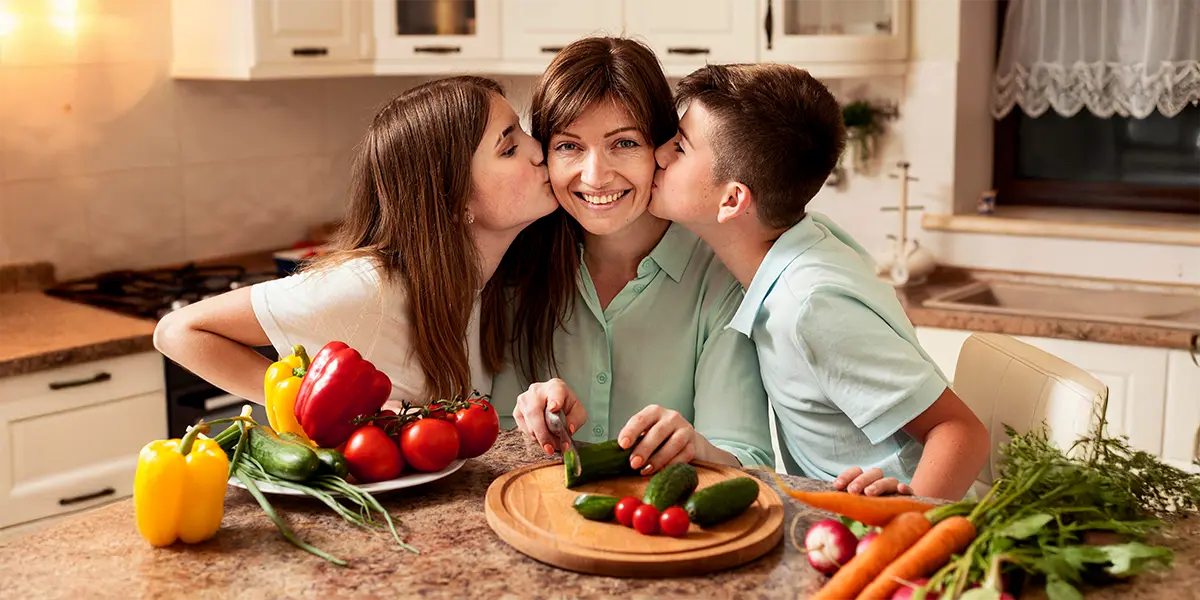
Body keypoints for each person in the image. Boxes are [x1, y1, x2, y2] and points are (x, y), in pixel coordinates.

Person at [649, 63, 990, 500]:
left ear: (732, 200)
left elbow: (960, 430)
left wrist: (906, 526)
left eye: (679, 148)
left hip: (899, 529)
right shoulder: (804, 240)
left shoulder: (809, 304)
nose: (659, 154)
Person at [154, 76, 557, 409]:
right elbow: (178, 330)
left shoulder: (488, 280)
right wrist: (304, 403)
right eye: (509, 148)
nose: (540, 151)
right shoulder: (370, 286)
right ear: (452, 200)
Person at [491, 37, 775, 477]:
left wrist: (695, 446)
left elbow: (750, 461)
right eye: (569, 146)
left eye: (623, 143)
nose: (595, 176)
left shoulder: (718, 273)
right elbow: (489, 437)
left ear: (662, 148)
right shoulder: (515, 262)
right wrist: (531, 417)